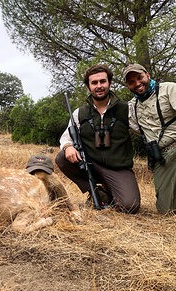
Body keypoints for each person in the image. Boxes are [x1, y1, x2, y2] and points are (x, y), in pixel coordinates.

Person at [55, 64, 140, 213]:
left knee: (129, 206)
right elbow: (65, 137)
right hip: (90, 164)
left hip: (118, 168)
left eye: (103, 81)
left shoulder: (126, 109)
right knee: (62, 157)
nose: (99, 86)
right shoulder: (79, 113)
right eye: (94, 83)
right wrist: (68, 147)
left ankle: (109, 191)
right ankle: (95, 191)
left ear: (110, 84)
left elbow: (143, 130)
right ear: (88, 87)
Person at [123, 63, 176, 214]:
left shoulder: (169, 89)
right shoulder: (132, 106)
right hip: (161, 156)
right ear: (128, 86)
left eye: (139, 78)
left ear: (148, 75)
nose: (137, 84)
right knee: (166, 210)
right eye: (131, 82)